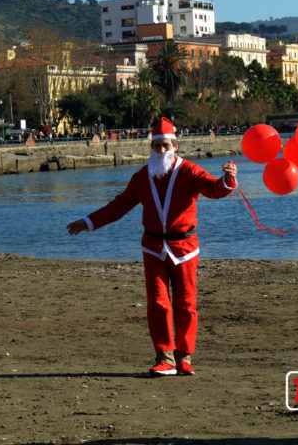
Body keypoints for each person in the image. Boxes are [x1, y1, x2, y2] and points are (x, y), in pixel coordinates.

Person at [66, 117, 238, 377]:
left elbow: (213, 190)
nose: (161, 151)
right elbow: (120, 206)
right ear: (151, 148)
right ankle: (165, 358)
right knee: (157, 303)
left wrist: (227, 179)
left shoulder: (190, 171)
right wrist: (88, 222)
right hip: (153, 246)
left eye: (166, 146)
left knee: (186, 304)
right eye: (157, 146)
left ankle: (184, 357)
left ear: (176, 147)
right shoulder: (141, 177)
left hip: (185, 247)